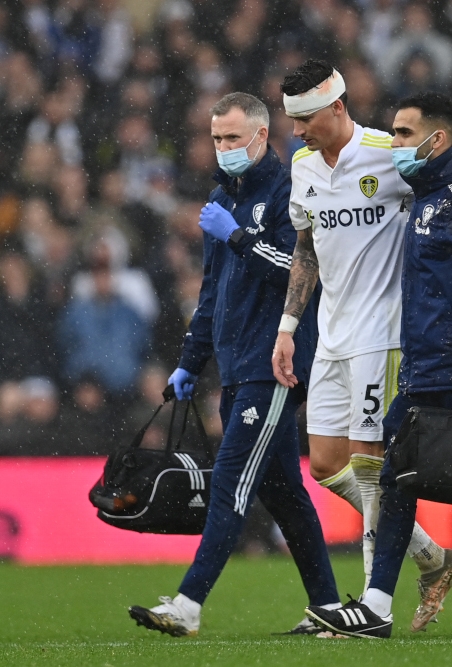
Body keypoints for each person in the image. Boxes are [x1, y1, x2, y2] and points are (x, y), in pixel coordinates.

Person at [305, 92, 452, 639]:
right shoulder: (430, 193)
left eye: (404, 134)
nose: (394, 144)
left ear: (438, 140)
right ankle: (379, 605)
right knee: (397, 475)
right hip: (426, 366)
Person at [129, 92, 340, 638]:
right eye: (216, 138)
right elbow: (211, 293)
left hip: (276, 363)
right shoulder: (222, 197)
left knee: (230, 480)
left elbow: (300, 272)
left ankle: (189, 603)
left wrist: (240, 237)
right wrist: (189, 362)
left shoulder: (290, 189)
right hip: (236, 365)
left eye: (231, 138)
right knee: (282, 492)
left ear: (261, 136)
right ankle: (331, 609)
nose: (222, 148)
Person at [270, 59, 452, 629]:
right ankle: (434, 558)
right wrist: (286, 326)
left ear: (336, 106)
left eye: (305, 118)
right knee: (327, 465)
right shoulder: (303, 165)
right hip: (330, 334)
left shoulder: (389, 153)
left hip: (385, 334)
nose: (297, 131)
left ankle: (372, 604)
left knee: (372, 468)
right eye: (291, 120)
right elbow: (306, 249)